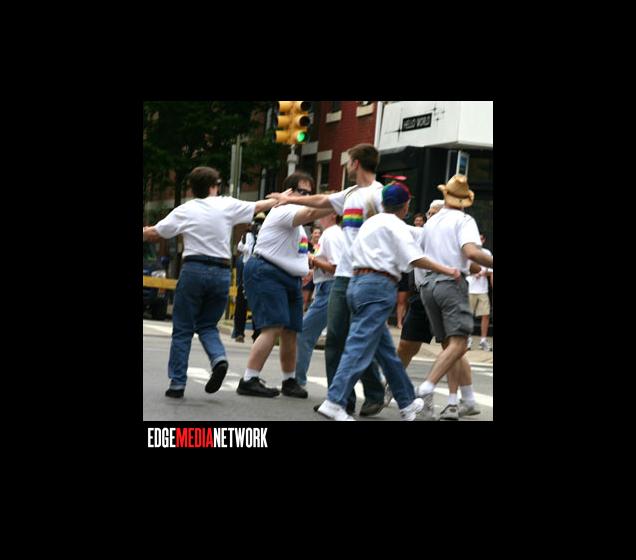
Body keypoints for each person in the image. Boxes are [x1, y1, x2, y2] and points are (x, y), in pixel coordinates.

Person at [316, 182, 460, 421]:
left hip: (356, 284)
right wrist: (447, 269)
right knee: (358, 346)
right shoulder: (396, 225)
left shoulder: (370, 223)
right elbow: (415, 258)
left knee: (386, 352)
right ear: (406, 205)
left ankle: (406, 402)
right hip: (378, 286)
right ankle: (334, 401)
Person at [267, 144, 387, 416]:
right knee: (335, 339)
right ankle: (339, 399)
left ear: (356, 163)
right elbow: (322, 201)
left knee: (363, 340)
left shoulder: (379, 195)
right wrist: (289, 200)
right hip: (343, 277)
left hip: (367, 276)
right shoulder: (351, 193)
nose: (346, 165)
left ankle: (374, 393)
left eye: (348, 161)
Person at [142, 166, 279, 399]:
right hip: (221, 272)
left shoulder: (186, 209)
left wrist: (145, 231)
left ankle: (177, 383)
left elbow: (158, 232)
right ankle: (218, 359)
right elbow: (258, 206)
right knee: (207, 325)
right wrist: (282, 198)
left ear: (193, 188)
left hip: (193, 269)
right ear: (214, 186)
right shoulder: (226, 204)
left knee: (183, 328)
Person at [238, 172, 334, 399]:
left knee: (291, 330)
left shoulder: (299, 227)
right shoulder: (284, 209)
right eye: (302, 192)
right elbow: (311, 212)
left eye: (309, 193)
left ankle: (289, 380)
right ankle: (249, 379)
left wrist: (303, 269)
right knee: (273, 327)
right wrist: (338, 202)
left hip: (288, 278)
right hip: (268, 271)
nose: (306, 196)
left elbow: (299, 253)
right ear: (288, 192)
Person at [415, 175, 493, 420]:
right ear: (464, 201)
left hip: (428, 285)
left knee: (451, 347)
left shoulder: (431, 222)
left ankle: (458, 401)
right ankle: (426, 388)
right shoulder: (464, 220)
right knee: (459, 343)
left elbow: (428, 255)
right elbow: (471, 252)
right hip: (450, 284)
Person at [295, 212, 344, 389]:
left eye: (323, 209)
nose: (318, 212)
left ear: (332, 214)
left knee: (304, 334)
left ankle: (297, 381)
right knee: (343, 339)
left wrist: (312, 259)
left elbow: (336, 267)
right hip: (327, 288)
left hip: (329, 289)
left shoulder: (332, 234)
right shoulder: (331, 233)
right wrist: (312, 271)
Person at [232, 212, 265, 343]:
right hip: (251, 270)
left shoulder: (262, 235)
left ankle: (254, 332)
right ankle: (242, 332)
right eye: (257, 222)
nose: (258, 225)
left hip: (255, 270)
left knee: (255, 303)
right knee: (245, 301)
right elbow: (241, 247)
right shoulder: (247, 236)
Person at [396, 213, 426, 329]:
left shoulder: (424, 232)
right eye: (416, 220)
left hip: (416, 272)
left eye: (420, 220)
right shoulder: (409, 232)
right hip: (403, 270)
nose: (418, 222)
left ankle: (402, 322)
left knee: (407, 298)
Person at [467, 233, 493, 351]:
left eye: (481, 239)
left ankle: (483, 340)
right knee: (468, 315)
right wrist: (474, 273)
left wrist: (483, 273)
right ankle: (468, 339)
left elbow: (491, 271)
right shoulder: (468, 252)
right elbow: (463, 268)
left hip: (483, 289)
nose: (479, 241)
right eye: (477, 238)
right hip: (469, 288)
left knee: (485, 314)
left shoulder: (487, 253)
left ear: (484, 240)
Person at [301, 226, 322, 311]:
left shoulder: (321, 245)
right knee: (305, 300)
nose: (317, 235)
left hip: (319, 274)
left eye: (319, 233)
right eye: (315, 233)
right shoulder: (307, 244)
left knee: (314, 300)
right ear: (311, 234)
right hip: (307, 273)